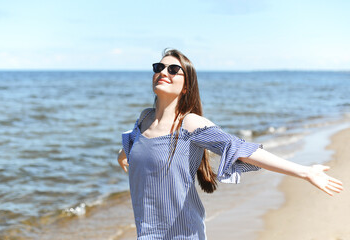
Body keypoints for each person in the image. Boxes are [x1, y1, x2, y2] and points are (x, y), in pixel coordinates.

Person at [117, 49, 343, 239]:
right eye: (159, 67)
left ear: (186, 87)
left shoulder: (189, 124)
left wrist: (305, 172)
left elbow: (240, 149)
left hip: (183, 234)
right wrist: (124, 153)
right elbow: (137, 142)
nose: (163, 72)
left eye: (173, 69)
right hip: (146, 233)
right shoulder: (145, 118)